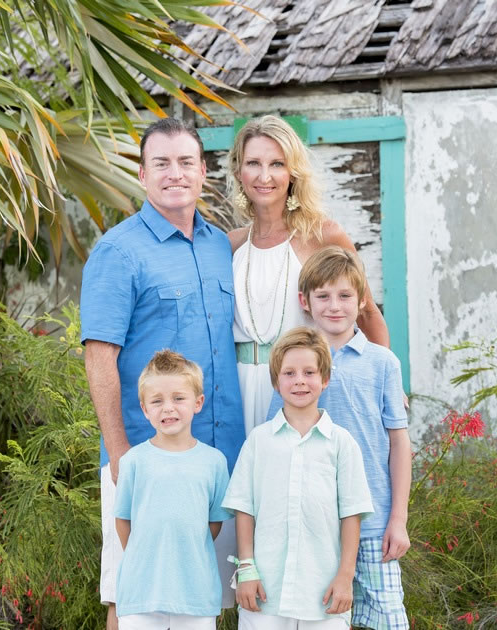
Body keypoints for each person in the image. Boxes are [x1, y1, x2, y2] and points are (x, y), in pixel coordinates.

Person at [81, 117, 244, 630]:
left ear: (203, 172)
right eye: (162, 163)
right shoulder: (118, 251)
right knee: (129, 595)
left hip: (218, 455)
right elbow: (99, 357)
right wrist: (120, 453)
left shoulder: (220, 245)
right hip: (144, 459)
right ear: (143, 174)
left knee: (209, 597)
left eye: (186, 163)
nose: (175, 174)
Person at [268, 247, 411, 629]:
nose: (335, 306)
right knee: (324, 620)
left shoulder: (383, 363)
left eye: (346, 296)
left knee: (388, 620)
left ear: (362, 300)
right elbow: (275, 443)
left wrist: (399, 517)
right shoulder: (295, 365)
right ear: (305, 301)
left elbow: (399, 444)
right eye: (323, 296)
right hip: (314, 523)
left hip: (374, 521)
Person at [227, 115, 391, 435]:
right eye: (253, 163)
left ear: (293, 173)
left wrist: (386, 388)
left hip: (304, 386)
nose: (264, 175)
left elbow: (367, 311)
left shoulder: (324, 236)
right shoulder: (231, 245)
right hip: (240, 388)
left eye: (277, 164)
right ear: (238, 171)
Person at [223, 327, 373, 630]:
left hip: (323, 594)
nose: (300, 380)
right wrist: (247, 568)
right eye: (289, 373)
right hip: (266, 592)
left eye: (309, 372)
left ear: (325, 379)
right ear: (276, 382)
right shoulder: (259, 441)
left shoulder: (342, 443)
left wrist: (345, 577)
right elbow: (244, 509)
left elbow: (352, 515)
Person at [114, 350, 232, 630]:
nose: (168, 408)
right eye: (157, 401)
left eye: (179, 398)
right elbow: (123, 520)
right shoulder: (133, 461)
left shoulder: (214, 462)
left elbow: (213, 523)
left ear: (198, 402)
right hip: (141, 592)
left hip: (195, 593)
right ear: (145, 409)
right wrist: (145, 555)